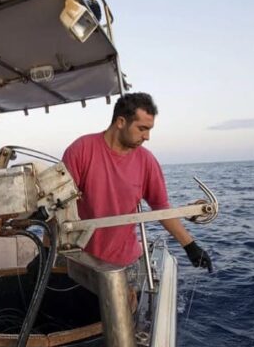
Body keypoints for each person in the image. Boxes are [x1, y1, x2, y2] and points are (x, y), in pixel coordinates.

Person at [61, 92, 212, 293]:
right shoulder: (81, 150)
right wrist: (47, 250)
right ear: (121, 122)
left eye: (150, 130)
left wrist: (190, 246)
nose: (147, 137)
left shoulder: (147, 161)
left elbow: (161, 208)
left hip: (125, 264)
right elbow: (59, 204)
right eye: (142, 128)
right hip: (83, 261)